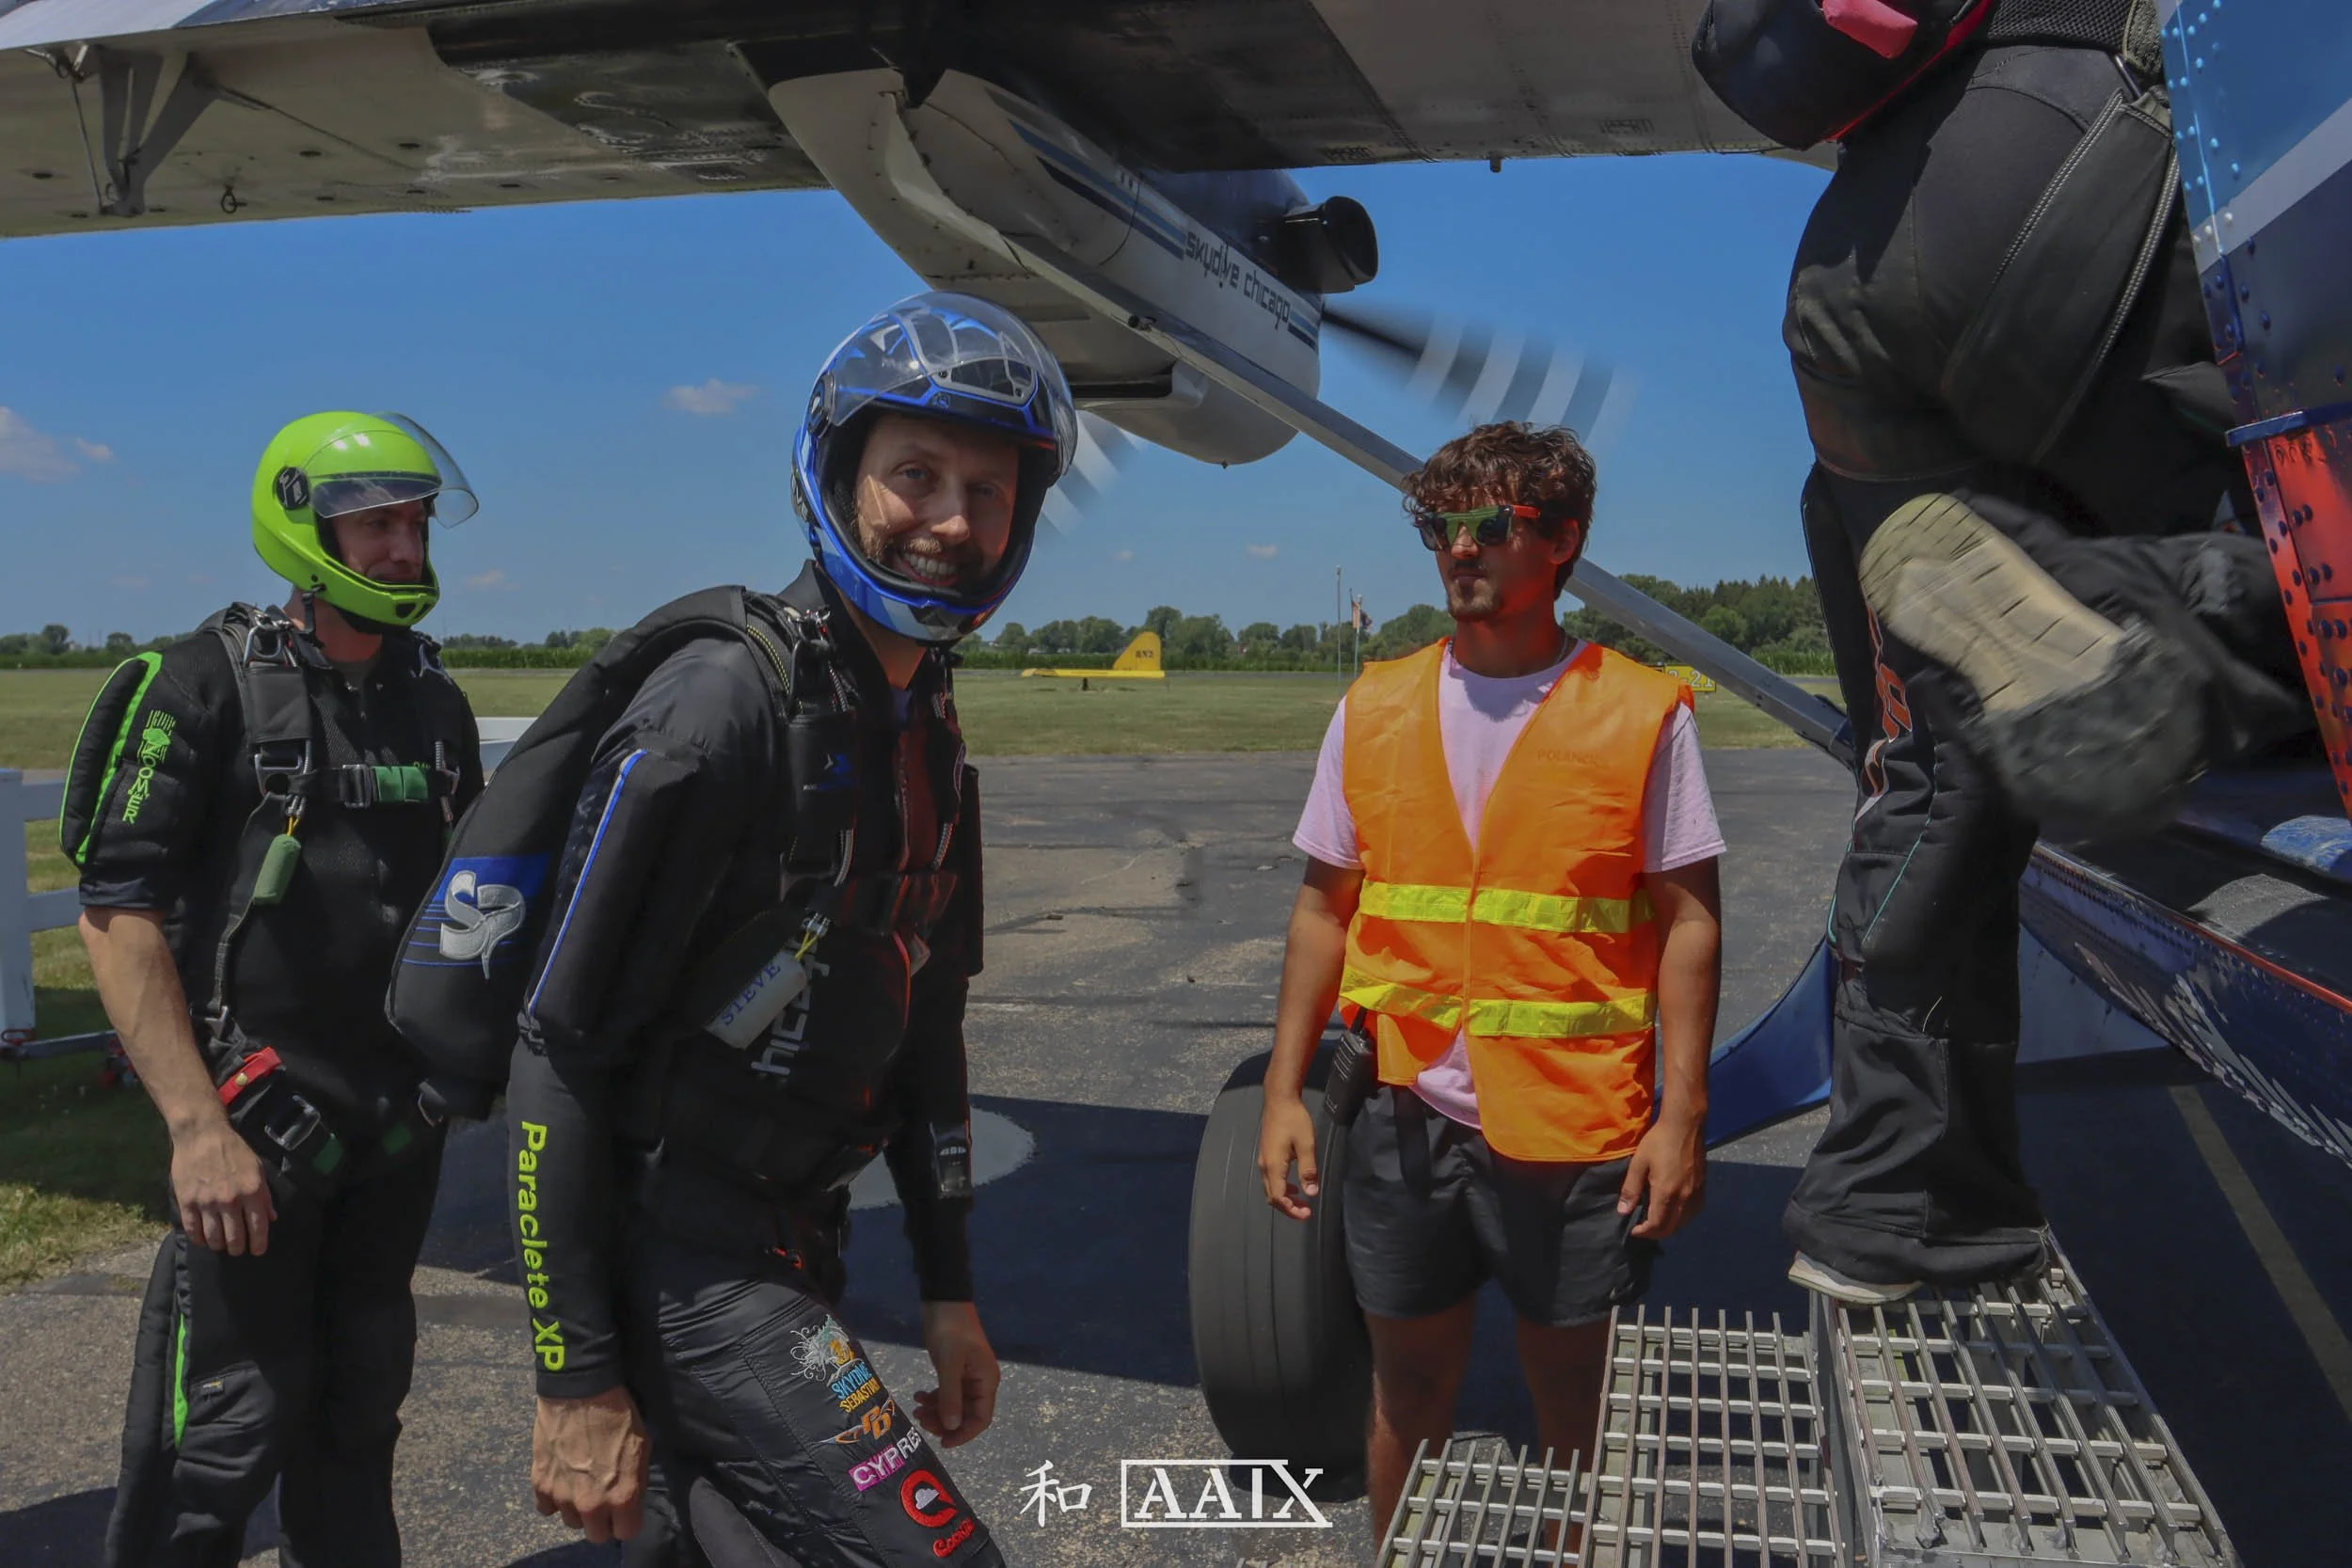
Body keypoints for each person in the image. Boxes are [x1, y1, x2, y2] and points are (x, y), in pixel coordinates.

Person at [503, 292, 1073, 1565]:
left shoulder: (926, 724)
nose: (951, 521)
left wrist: (947, 1284)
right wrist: (574, 1375)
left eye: (989, 492)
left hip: (793, 1233)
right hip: (689, 1261)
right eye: (915, 474)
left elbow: (929, 1027)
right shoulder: (720, 708)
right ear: (837, 472)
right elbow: (557, 1045)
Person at [1775, 0, 2312, 1301]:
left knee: (1940, 763)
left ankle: (1898, 1204)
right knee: (2308, 596)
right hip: (2083, 160)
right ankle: (2147, 620)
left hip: (1855, 270)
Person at [1255, 421, 1724, 1530]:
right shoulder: (1371, 704)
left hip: (1575, 1125)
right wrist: (1283, 1091)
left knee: (1573, 1406)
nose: (1458, 549)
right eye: (1438, 526)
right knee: (1407, 1390)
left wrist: (1683, 1112)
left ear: (1561, 540)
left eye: (1490, 527)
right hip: (1406, 1114)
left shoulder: (1640, 710)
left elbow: (1690, 917)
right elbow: (1324, 907)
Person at [62, 411, 485, 1566]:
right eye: (374, 524)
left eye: (413, 523)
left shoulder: (433, 705)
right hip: (253, 1135)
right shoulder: (195, 687)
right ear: (301, 526)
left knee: (358, 1418)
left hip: (394, 1136)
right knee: (224, 1435)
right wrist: (196, 1127)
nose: (403, 548)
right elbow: (116, 914)